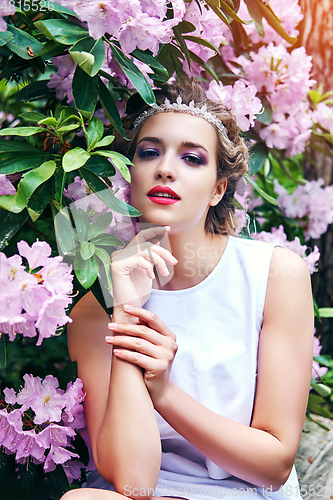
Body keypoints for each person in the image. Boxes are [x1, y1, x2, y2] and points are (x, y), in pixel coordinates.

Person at [62, 80, 314, 500]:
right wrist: (126, 309)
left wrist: (165, 392)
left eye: (192, 158)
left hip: (242, 491)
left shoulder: (272, 275)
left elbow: (274, 465)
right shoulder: (94, 309)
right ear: (129, 176)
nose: (165, 168)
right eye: (149, 152)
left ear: (218, 189)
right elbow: (132, 481)